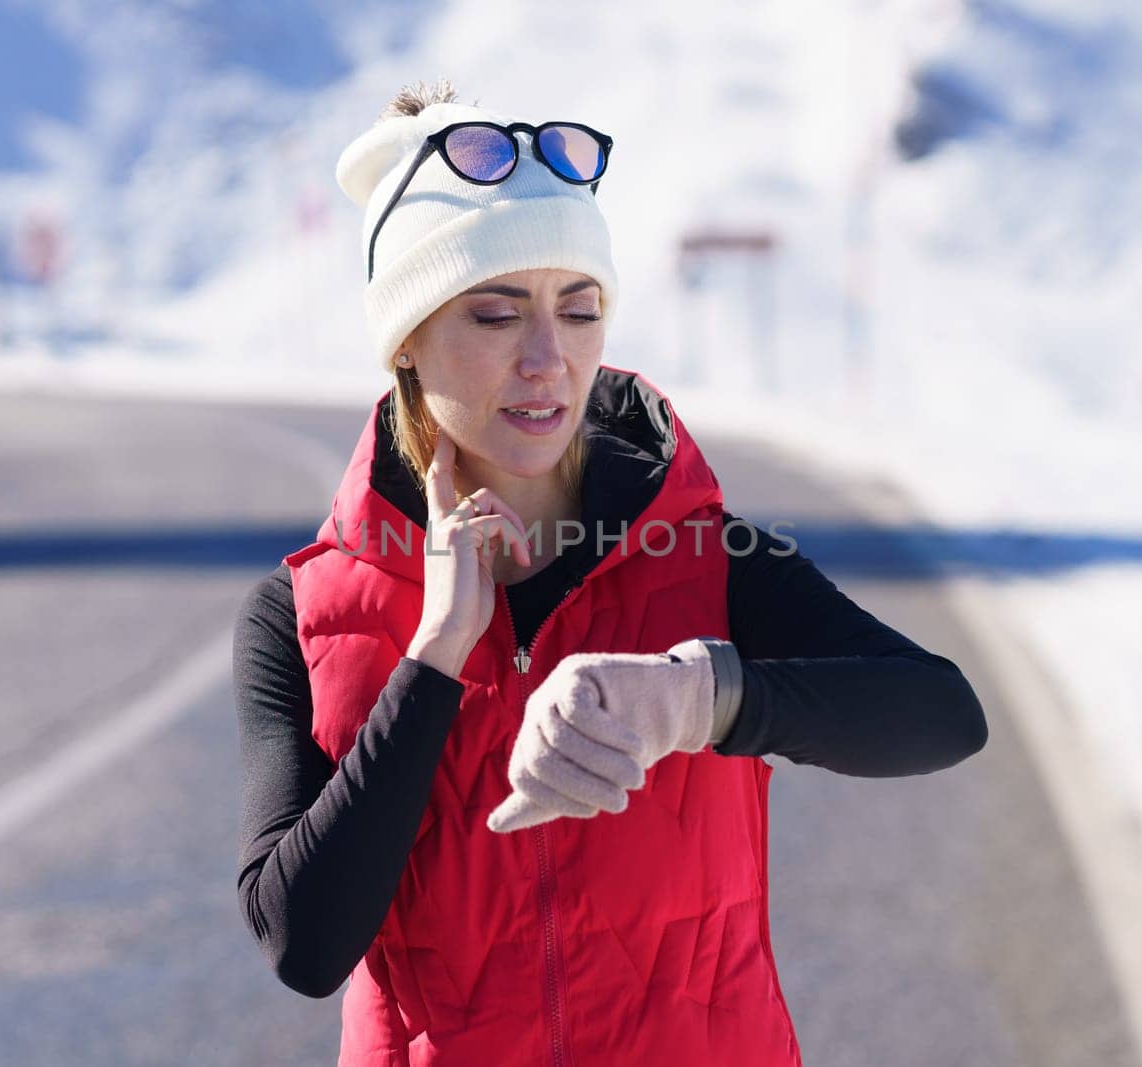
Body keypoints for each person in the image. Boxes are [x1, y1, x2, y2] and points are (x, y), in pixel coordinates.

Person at [234, 78, 989, 1066]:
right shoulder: (301, 610)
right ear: (409, 342)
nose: (549, 357)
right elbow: (304, 941)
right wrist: (432, 657)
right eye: (497, 314)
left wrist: (698, 698)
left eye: (579, 310)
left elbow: (940, 715)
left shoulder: (707, 554)